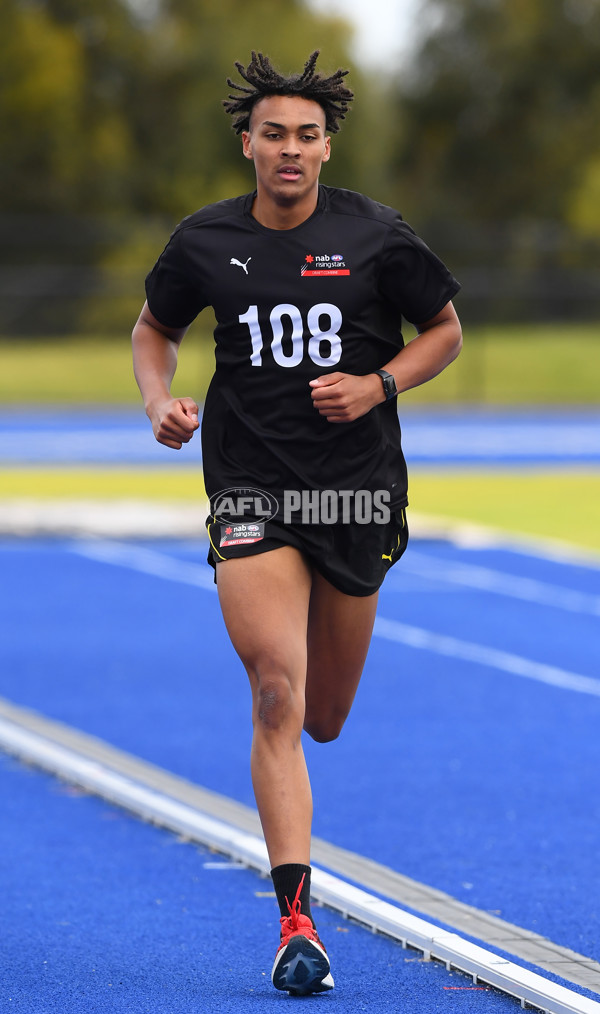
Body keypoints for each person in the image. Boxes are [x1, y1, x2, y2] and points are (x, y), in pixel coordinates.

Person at [132, 50, 462, 996]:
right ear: (248, 144)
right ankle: (295, 923)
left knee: (323, 717)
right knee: (276, 690)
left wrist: (380, 383)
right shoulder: (204, 241)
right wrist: (158, 398)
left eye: (306, 135)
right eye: (272, 133)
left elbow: (445, 329)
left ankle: (301, 837)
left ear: (326, 148)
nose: (289, 149)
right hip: (251, 488)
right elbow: (154, 329)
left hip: (355, 495)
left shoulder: (378, 236)